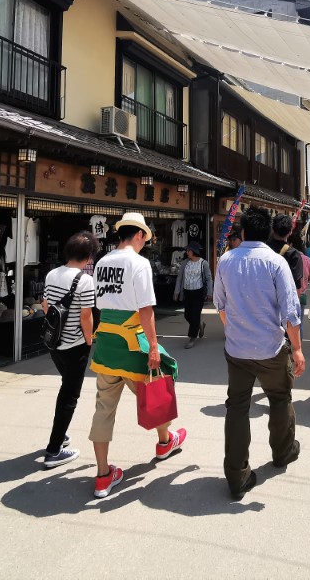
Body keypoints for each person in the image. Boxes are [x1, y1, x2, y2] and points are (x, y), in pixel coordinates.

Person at [88, 213, 185, 498]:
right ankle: (165, 441)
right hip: (131, 342)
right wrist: (154, 346)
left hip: (105, 342)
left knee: (103, 408)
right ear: (140, 235)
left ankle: (103, 475)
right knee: (156, 387)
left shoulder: (102, 262)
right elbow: (146, 310)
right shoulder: (139, 263)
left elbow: (99, 303)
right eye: (146, 238)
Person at [213, 207, 305, 498]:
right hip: (271, 348)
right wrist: (299, 350)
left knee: (237, 406)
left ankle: (237, 475)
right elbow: (291, 313)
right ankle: (283, 452)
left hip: (236, 350)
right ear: (267, 233)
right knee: (280, 398)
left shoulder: (226, 260)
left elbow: (220, 305)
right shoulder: (276, 263)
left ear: (242, 232)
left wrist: (234, 330)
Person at [40, 232, 97, 469]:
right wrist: (89, 340)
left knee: (66, 389)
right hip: (75, 346)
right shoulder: (84, 280)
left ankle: (60, 434)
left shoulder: (52, 273)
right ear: (87, 257)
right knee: (69, 397)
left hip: (55, 344)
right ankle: (54, 450)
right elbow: (86, 315)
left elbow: (45, 305)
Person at [173, 241, 213, 349]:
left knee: (195, 315)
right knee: (187, 315)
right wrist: (177, 292)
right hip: (187, 291)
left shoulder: (203, 263)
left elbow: (209, 278)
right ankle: (200, 324)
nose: (187, 252)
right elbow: (180, 278)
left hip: (198, 292)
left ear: (193, 251)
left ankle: (192, 337)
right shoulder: (185, 263)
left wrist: (210, 292)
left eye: (188, 250)